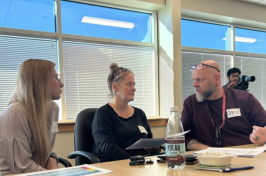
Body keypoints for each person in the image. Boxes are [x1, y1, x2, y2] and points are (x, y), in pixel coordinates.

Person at [181, 60, 266, 151]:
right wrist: (209, 150)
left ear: (216, 79)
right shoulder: (191, 103)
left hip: (246, 157)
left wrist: (262, 137)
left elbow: (264, 125)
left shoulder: (245, 98)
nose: (194, 85)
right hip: (208, 160)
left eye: (200, 80)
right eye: (193, 80)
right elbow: (182, 138)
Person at [0, 59, 64, 175]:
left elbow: (46, 151)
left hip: (39, 172)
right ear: (40, 82)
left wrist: (52, 158)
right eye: (56, 77)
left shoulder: (53, 109)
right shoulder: (15, 112)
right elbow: (21, 168)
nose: (61, 84)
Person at [92, 63, 159, 162]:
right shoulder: (103, 114)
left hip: (141, 164)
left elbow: (149, 141)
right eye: (129, 84)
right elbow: (109, 148)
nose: (134, 88)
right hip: (116, 165)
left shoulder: (140, 113)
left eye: (134, 84)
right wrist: (134, 161)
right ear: (115, 87)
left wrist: (154, 148)